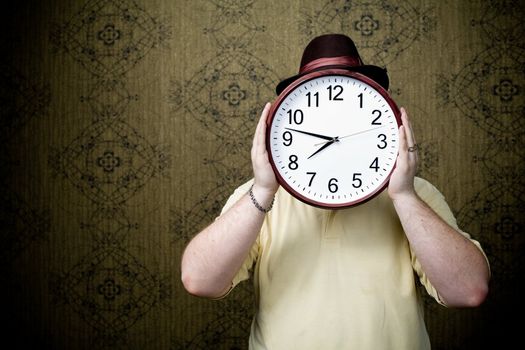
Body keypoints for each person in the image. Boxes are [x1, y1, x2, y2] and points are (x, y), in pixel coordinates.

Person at [181, 34, 490, 350]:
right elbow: (199, 281)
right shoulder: (259, 197)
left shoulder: (415, 193)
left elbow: (468, 291)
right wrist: (262, 190)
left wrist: (405, 197)